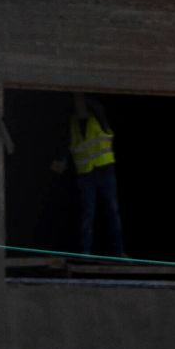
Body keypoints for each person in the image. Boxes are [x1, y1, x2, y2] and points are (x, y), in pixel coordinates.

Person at [65, 95, 122, 258]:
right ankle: (85, 252)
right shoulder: (73, 123)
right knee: (88, 213)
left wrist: (86, 99)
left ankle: (119, 251)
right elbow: (68, 144)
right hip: (85, 174)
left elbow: (99, 109)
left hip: (105, 171)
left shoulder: (98, 119)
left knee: (112, 210)